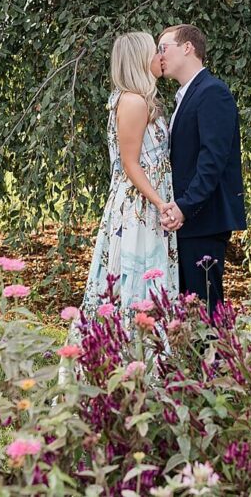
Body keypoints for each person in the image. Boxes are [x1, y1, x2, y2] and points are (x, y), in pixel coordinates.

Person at [77, 32, 179, 318]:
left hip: (148, 198)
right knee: (137, 272)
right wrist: (160, 203)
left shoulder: (138, 100)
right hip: (140, 204)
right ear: (140, 60)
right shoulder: (134, 102)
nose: (160, 56)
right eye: (155, 51)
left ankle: (144, 338)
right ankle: (131, 336)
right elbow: (130, 163)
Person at [158, 24, 246, 315]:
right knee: (188, 313)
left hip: (203, 220)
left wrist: (185, 206)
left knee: (206, 313)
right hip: (187, 222)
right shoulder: (187, 94)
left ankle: (218, 349)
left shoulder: (212, 92)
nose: (159, 56)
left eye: (163, 48)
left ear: (187, 47)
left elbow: (213, 160)